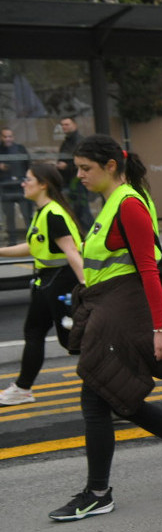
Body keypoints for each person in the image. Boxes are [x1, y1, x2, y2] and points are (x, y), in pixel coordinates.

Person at [49, 135, 162, 522]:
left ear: (111, 166)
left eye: (85, 168)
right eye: (77, 168)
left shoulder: (127, 204)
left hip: (123, 313)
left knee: (98, 395)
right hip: (109, 309)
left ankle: (98, 492)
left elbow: (147, 268)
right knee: (115, 395)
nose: (79, 176)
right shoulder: (113, 203)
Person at [0, 164, 85, 406]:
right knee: (34, 331)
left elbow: (72, 252)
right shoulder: (42, 212)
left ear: (43, 184)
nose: (22, 183)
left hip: (62, 282)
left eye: (28, 179)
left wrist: (86, 286)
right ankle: (23, 388)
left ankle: (109, 389)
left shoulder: (53, 213)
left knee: (74, 342)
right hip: (46, 281)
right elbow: (35, 246)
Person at [56, 116, 92, 230]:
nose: (64, 127)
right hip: (68, 181)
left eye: (67, 124)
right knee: (75, 211)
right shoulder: (66, 142)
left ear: (74, 125)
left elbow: (85, 160)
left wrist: (67, 166)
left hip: (78, 181)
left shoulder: (80, 141)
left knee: (81, 210)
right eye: (62, 125)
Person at [0, 127, 32, 243]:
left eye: (9, 136)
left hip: (21, 186)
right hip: (6, 188)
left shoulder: (20, 149)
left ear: (13, 137)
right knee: (9, 216)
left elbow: (28, 164)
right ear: (1, 137)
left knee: (27, 214)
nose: (7, 139)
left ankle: (32, 239)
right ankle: (12, 241)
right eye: (5, 136)